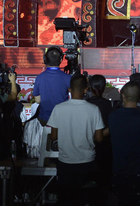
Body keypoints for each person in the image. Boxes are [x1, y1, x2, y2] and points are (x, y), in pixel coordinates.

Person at [47, 74, 105, 206]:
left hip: (65, 162)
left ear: (69, 89)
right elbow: (99, 138)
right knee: (86, 199)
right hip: (88, 162)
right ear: (86, 90)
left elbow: (53, 136)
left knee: (67, 200)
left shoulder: (59, 108)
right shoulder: (94, 109)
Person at [109, 81, 140, 206]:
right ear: (139, 96)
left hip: (119, 168)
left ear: (123, 96)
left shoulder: (113, 116)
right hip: (139, 168)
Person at [33, 46, 72, 125]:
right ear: (61, 60)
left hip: (45, 119)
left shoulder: (39, 77)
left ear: (45, 60)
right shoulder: (68, 78)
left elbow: (37, 100)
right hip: (62, 119)